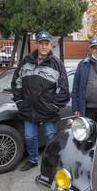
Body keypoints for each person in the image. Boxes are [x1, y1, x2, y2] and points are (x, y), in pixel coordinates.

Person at [11, 31, 70, 171]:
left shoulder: (57, 64)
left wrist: (54, 106)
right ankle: (32, 160)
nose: (44, 47)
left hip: (48, 109)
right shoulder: (26, 61)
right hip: (29, 108)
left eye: (47, 44)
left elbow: (63, 89)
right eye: (41, 43)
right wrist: (19, 102)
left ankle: (51, 162)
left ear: (50, 45)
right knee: (30, 137)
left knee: (50, 136)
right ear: (36, 44)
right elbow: (16, 82)